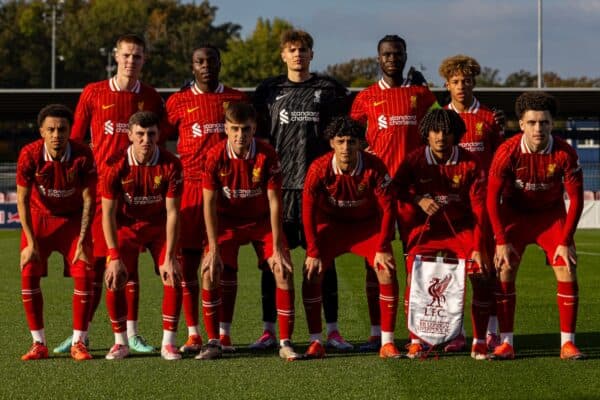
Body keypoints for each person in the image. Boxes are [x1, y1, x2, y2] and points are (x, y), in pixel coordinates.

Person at [56, 33, 166, 354]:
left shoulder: (150, 96)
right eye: (127, 55)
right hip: (101, 193)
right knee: (94, 266)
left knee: (128, 265)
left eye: (138, 56)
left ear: (145, 60)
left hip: (136, 194)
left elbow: (162, 135)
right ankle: (81, 335)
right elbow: (76, 141)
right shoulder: (93, 93)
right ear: (115, 56)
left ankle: (132, 334)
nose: (131, 61)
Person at [253, 29, 352, 351]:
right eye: (292, 50)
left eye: (304, 49)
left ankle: (333, 330)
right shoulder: (268, 91)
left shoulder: (329, 89)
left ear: (312, 54)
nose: (298, 55)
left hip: (317, 191)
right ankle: (269, 330)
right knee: (274, 262)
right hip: (279, 191)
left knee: (324, 261)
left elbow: (341, 135)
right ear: (283, 54)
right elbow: (257, 135)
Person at [350, 34, 438, 351]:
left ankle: (420, 332)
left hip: (415, 192)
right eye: (386, 54)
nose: (392, 58)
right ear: (379, 58)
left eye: (397, 53)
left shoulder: (421, 94)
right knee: (376, 264)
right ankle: (378, 333)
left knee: (418, 262)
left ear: (404, 56)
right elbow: (352, 136)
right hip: (377, 194)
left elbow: (443, 124)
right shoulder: (365, 98)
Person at [487, 92, 584, 360]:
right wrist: (499, 240)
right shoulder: (506, 152)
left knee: (567, 267)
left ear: (552, 124)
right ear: (521, 125)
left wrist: (565, 241)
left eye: (543, 122)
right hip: (515, 216)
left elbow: (575, 200)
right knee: (504, 269)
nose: (538, 128)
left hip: (550, 218)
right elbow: (491, 198)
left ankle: (568, 344)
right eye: (531, 123)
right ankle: (506, 342)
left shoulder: (566, 153)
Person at [165, 44, 248, 354]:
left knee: (224, 264)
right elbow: (158, 138)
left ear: (220, 63)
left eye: (211, 61)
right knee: (187, 264)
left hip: (226, 192)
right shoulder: (177, 102)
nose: (206, 66)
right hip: (189, 189)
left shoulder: (236, 99)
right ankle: (193, 333)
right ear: (192, 66)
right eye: (200, 61)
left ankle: (223, 334)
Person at [199, 102, 298, 361]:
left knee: (283, 269)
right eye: (234, 129)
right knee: (209, 271)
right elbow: (208, 204)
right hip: (227, 222)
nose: (240, 135)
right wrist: (212, 248)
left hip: (261, 221)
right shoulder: (214, 156)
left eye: (245, 129)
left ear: (253, 128)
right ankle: (214, 341)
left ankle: (286, 342)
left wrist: (277, 247)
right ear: (225, 129)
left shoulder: (267, 155)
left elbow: (276, 202)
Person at [394, 108, 491, 360]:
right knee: (414, 277)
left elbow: (480, 209)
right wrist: (418, 199)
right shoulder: (414, 159)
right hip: (427, 230)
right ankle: (415, 340)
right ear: (426, 134)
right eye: (435, 131)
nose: (440, 137)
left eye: (447, 132)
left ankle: (478, 341)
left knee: (479, 275)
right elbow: (396, 189)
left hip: (462, 230)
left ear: (456, 135)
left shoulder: (470, 162)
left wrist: (479, 248)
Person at [301, 116, 401, 359]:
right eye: (341, 141)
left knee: (386, 269)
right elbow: (307, 210)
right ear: (332, 143)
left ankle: (386, 341)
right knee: (311, 271)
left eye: (351, 142)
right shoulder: (318, 168)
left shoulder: (375, 166)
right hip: (332, 226)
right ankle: (316, 341)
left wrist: (383, 245)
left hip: (366, 227)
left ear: (360, 144)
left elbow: (389, 208)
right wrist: (313, 252)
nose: (346, 147)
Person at [102, 111, 183, 361]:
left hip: (159, 226)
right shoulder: (114, 165)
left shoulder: (171, 164)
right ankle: (120, 343)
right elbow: (107, 215)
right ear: (130, 135)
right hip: (126, 227)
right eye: (140, 134)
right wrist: (114, 255)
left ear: (159, 135)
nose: (145, 139)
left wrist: (169, 256)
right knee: (114, 277)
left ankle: (168, 343)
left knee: (173, 274)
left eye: (151, 134)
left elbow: (172, 213)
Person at [17, 104, 96, 361]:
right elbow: (22, 199)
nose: (56, 134)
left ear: (70, 130)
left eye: (62, 129)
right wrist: (30, 242)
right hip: (40, 220)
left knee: (84, 270)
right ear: (41, 131)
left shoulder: (83, 155)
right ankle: (38, 343)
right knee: (29, 271)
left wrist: (83, 239)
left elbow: (88, 199)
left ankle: (78, 342)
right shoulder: (29, 155)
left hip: (72, 221)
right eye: (50, 129)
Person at [438, 54, 504, 352]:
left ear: (474, 82)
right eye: (455, 82)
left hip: (483, 208)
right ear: (446, 85)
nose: (461, 86)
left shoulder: (489, 118)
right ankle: (457, 332)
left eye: (466, 81)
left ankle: (491, 330)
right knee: (453, 271)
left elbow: (500, 161)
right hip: (452, 206)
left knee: (485, 269)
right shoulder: (439, 119)